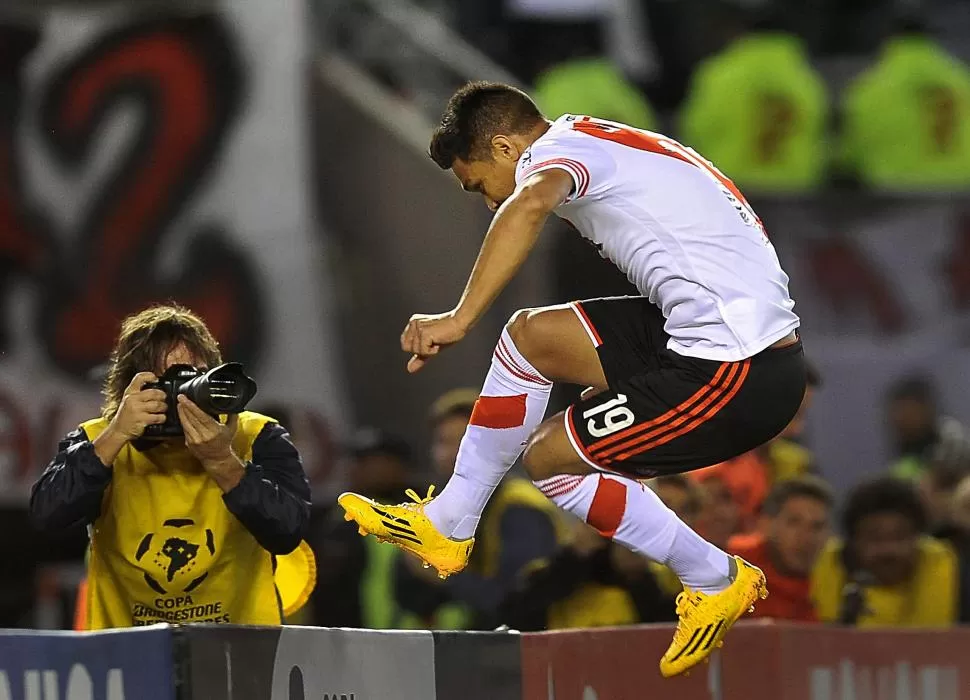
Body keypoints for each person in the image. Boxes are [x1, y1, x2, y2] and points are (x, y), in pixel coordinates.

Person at [338, 82, 806, 676]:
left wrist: (458, 318)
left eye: (477, 184)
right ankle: (449, 522)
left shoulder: (557, 159)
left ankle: (714, 577)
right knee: (530, 338)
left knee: (550, 461)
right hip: (706, 335)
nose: (486, 203)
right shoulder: (588, 135)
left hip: (737, 372)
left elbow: (528, 205)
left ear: (507, 148)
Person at [30, 304, 311, 628]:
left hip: (239, 651)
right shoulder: (99, 438)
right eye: (170, 382)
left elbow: (287, 531)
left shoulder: (256, 435)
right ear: (131, 390)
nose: (184, 396)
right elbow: (47, 515)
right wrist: (117, 434)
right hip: (129, 654)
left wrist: (222, 461)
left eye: (195, 377)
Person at [812, 476, 958, 627]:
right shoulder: (829, 561)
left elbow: (929, 639)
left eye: (900, 536)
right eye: (874, 537)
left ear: (918, 538)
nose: (888, 549)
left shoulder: (938, 561)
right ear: (853, 543)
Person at [728, 476, 833, 622]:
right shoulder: (729, 569)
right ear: (766, 524)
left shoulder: (832, 585)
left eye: (817, 526)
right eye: (794, 522)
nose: (806, 537)